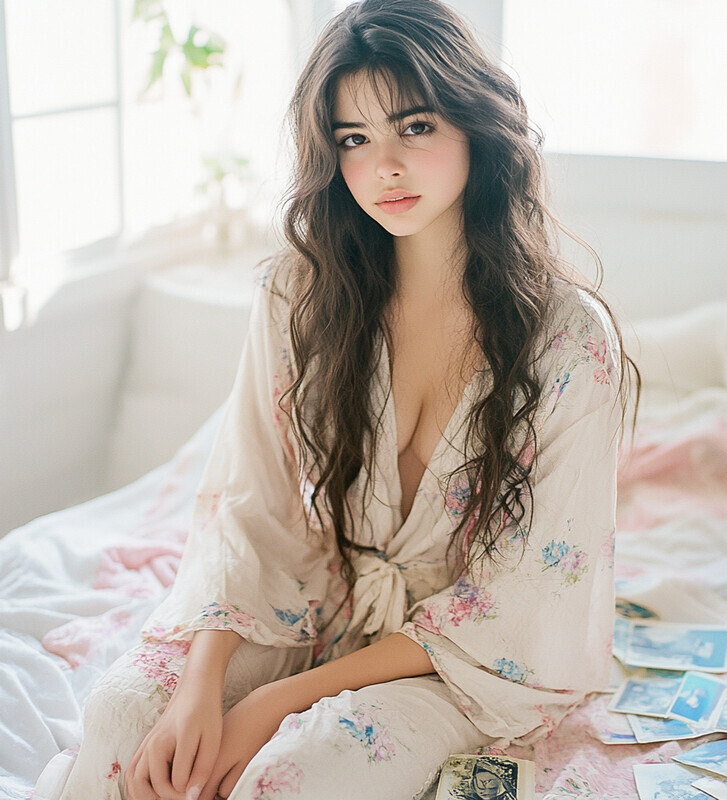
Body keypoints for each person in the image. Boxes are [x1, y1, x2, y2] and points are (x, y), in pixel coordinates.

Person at [35, 1, 635, 798]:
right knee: (121, 720)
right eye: (354, 139)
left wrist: (276, 703)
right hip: (312, 594)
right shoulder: (299, 294)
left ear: (475, 127)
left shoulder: (568, 339)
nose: (384, 165)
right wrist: (202, 686)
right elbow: (251, 505)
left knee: (288, 774)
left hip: (461, 660)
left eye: (414, 128)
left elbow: (520, 598)